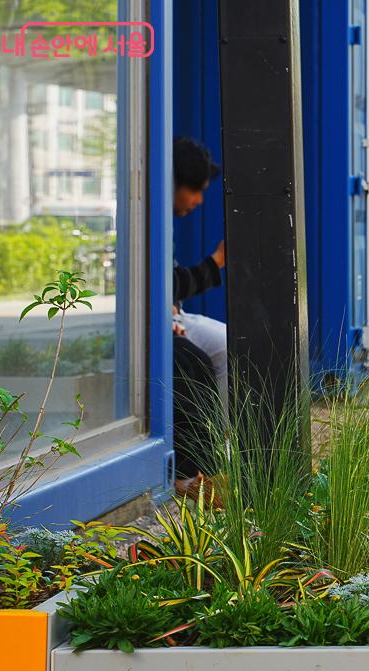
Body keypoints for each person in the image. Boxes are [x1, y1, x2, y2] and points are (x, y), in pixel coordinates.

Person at [172, 137, 227, 494]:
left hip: (171, 314)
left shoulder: (159, 218)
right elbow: (169, 284)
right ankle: (193, 473)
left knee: (229, 342)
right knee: (193, 360)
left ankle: (222, 452)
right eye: (196, 189)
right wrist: (215, 264)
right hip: (159, 319)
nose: (199, 200)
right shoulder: (148, 216)